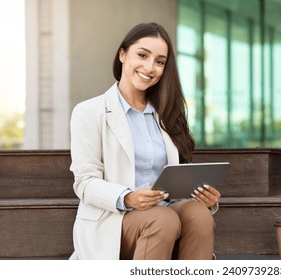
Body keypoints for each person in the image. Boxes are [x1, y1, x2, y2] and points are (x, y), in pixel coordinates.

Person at [69, 22, 221, 260]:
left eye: (160, 62)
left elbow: (174, 185)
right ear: (122, 54)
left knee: (199, 213)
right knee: (162, 219)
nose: (150, 67)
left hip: (166, 215)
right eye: (142, 55)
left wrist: (202, 197)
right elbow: (84, 182)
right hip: (115, 221)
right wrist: (127, 197)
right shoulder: (89, 111)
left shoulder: (169, 115)